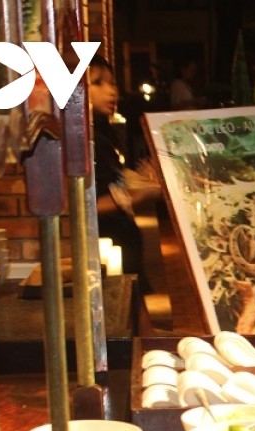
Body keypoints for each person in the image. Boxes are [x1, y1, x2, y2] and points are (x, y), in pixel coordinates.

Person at [89, 55, 161, 293]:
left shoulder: (101, 132)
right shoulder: (84, 140)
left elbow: (113, 179)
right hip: (108, 247)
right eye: (98, 83)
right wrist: (139, 195)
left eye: (112, 83)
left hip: (124, 244)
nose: (111, 91)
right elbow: (84, 204)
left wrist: (140, 178)